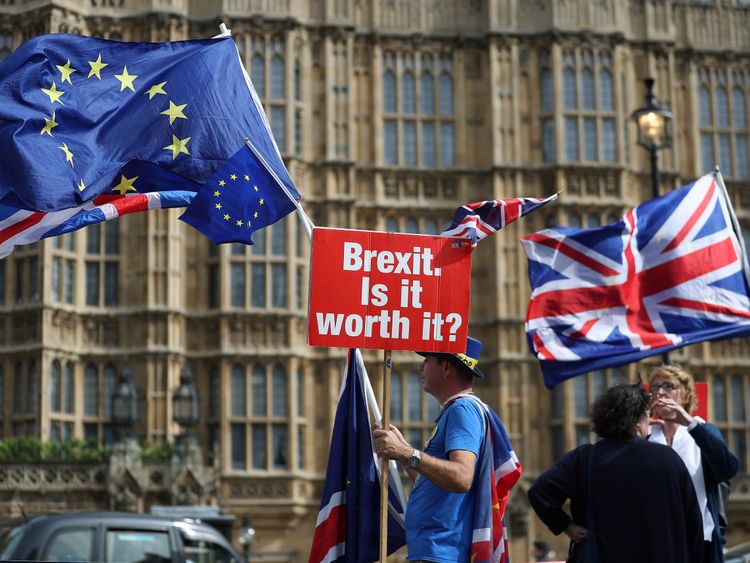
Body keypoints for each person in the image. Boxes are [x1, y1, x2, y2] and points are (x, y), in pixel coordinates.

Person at [528, 383, 704, 563]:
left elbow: (539, 492)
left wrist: (565, 525)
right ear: (640, 417)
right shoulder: (669, 459)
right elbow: (693, 524)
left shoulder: (585, 458)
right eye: (648, 416)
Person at [372, 336, 507, 562]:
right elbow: (436, 481)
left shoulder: (462, 409)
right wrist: (403, 451)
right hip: (434, 550)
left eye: (427, 360)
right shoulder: (454, 411)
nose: (420, 366)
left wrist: (406, 453)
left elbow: (461, 477)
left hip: (443, 551)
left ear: (446, 367)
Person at [648, 363, 739, 563]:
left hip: (699, 543)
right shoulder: (645, 437)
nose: (661, 392)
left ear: (686, 395)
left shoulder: (703, 431)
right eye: (655, 387)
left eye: (669, 386)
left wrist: (690, 423)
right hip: (657, 542)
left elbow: (728, 468)